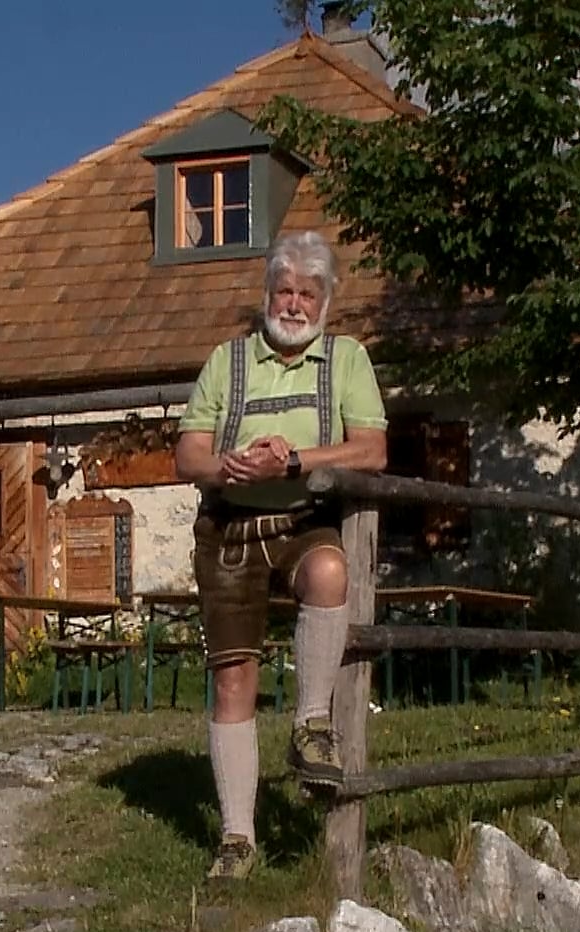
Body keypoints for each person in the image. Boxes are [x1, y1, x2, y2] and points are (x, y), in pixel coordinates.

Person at [172, 230, 389, 883]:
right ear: (267, 293)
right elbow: (187, 455)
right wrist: (227, 464)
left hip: (301, 516)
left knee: (329, 571)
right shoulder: (228, 361)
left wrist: (295, 460)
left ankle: (310, 726)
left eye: (307, 293)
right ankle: (238, 839)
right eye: (284, 290)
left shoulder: (346, 360)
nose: (293, 304)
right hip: (231, 523)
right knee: (233, 676)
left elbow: (372, 450)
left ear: (326, 301)